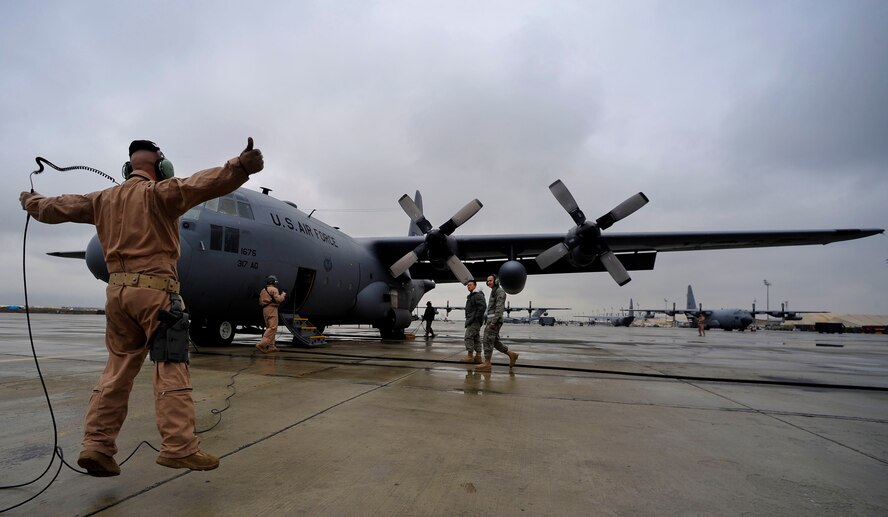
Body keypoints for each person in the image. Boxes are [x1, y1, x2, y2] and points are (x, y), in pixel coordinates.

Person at [20, 137, 264, 476]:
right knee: (171, 366)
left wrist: (32, 201)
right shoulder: (162, 193)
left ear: (128, 167)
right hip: (156, 295)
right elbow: (206, 182)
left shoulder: (102, 199)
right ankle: (179, 447)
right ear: (161, 167)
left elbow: (57, 207)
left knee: (116, 372)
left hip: (117, 296)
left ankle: (97, 446)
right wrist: (241, 166)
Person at [475, 274, 519, 372]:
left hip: (494, 320)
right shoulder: (493, 292)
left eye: (490, 280)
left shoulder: (500, 292)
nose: (488, 282)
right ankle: (512, 354)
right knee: (494, 342)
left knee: (487, 340)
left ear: (496, 281)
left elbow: (499, 308)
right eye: (487, 281)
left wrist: (494, 322)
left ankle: (487, 363)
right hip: (492, 319)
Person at [257, 275, 287, 353]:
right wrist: (283, 295)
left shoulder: (263, 290)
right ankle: (262, 344)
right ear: (273, 282)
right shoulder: (274, 290)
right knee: (273, 327)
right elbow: (278, 300)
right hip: (272, 309)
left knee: (269, 327)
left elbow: (260, 302)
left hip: (265, 310)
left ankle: (271, 346)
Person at [460, 280, 486, 363]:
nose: (468, 286)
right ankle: (478, 356)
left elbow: (482, 307)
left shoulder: (477, 295)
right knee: (476, 338)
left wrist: (476, 317)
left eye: (470, 285)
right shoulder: (472, 295)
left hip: (474, 320)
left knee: (468, 336)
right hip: (472, 320)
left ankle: (470, 356)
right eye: (467, 285)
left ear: (475, 285)